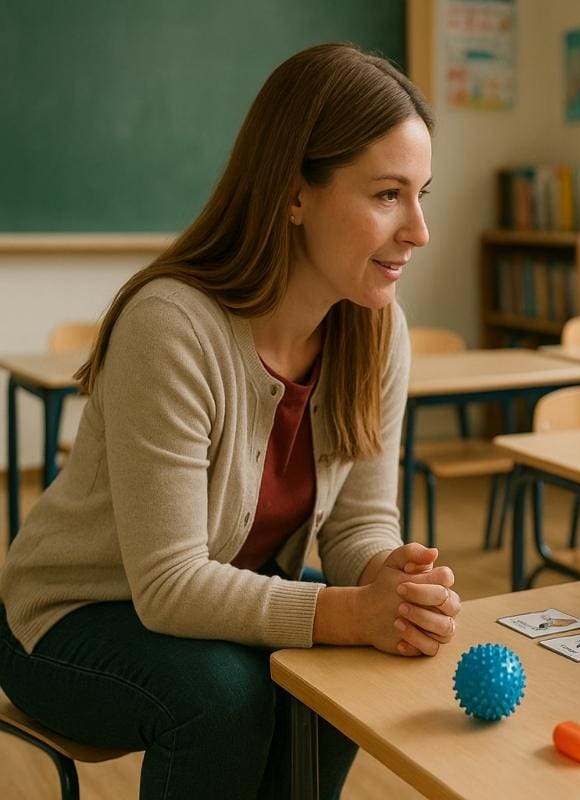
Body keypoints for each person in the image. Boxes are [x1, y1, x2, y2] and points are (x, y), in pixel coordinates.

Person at [0, 43, 456, 798]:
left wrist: (391, 582)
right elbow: (170, 586)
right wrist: (349, 613)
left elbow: (358, 526)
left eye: (422, 194)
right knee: (225, 695)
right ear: (294, 193)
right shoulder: (170, 326)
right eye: (386, 195)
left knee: (337, 671)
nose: (419, 229)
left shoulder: (379, 329)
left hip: (215, 590)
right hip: (68, 618)